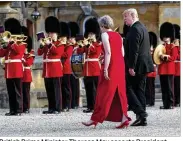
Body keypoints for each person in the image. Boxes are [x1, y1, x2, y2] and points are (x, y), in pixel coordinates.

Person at [82, 15, 131, 129]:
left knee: (103, 92)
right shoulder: (118, 35)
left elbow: (108, 53)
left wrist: (105, 68)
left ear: (103, 25)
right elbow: (122, 53)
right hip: (120, 64)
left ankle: (94, 119)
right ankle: (124, 118)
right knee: (120, 93)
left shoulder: (105, 34)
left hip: (111, 66)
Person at [123, 8, 154, 126]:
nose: (124, 19)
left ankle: (140, 113)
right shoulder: (142, 27)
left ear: (132, 16)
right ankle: (142, 118)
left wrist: (131, 67)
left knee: (128, 88)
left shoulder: (135, 29)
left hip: (137, 66)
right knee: (139, 91)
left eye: (126, 17)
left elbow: (134, 50)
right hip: (144, 65)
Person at [37, 16, 64, 114]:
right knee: (49, 90)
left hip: (55, 69)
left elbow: (56, 52)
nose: (50, 34)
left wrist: (49, 44)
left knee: (56, 91)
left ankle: (58, 108)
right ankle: (51, 108)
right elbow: (39, 53)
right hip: (47, 70)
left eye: (52, 33)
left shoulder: (60, 44)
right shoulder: (47, 43)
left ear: (56, 33)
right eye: (49, 32)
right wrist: (41, 45)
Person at [0, 18, 26, 116]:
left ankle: (19, 110)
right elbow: (1, 53)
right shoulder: (9, 45)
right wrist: (3, 46)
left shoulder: (21, 44)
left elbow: (19, 52)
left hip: (16, 69)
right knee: (11, 91)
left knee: (18, 91)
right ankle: (12, 110)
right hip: (9, 70)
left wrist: (12, 43)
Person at [76, 17, 102, 113]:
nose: (90, 35)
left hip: (95, 69)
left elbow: (95, 51)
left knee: (96, 89)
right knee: (88, 89)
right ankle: (90, 106)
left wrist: (87, 45)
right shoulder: (87, 43)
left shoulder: (98, 44)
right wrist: (80, 44)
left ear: (96, 34)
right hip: (87, 69)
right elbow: (79, 51)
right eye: (89, 33)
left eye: (92, 34)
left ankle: (97, 106)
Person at [158, 22, 178, 109]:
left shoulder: (173, 47)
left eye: (167, 36)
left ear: (171, 37)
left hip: (169, 69)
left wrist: (165, 57)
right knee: (164, 88)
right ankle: (165, 104)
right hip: (162, 69)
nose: (165, 38)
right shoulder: (161, 46)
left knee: (169, 88)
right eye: (164, 37)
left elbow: (173, 57)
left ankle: (170, 104)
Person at [21, 26, 35, 113]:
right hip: (20, 73)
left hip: (26, 74)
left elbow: (28, 63)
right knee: (20, 91)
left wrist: (22, 59)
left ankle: (26, 107)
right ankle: (21, 107)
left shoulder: (31, 53)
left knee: (26, 92)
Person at [59, 22, 72, 112]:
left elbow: (66, 55)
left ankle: (67, 105)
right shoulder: (60, 45)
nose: (62, 38)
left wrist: (62, 46)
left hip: (66, 69)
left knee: (66, 88)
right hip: (59, 69)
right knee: (60, 87)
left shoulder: (69, 46)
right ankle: (62, 104)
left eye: (63, 37)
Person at [68, 22, 80, 109]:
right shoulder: (69, 46)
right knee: (70, 85)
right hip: (68, 67)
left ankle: (75, 102)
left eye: (71, 38)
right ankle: (71, 102)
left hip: (76, 66)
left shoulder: (77, 45)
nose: (70, 39)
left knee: (75, 85)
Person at [145, 32, 158, 107]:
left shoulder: (154, 49)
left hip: (151, 69)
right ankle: (149, 101)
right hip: (147, 69)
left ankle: (151, 101)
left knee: (150, 86)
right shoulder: (147, 49)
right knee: (148, 86)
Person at [173, 24, 180, 107]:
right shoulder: (173, 46)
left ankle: (178, 101)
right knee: (174, 86)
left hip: (179, 69)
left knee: (178, 86)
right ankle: (175, 101)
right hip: (173, 69)